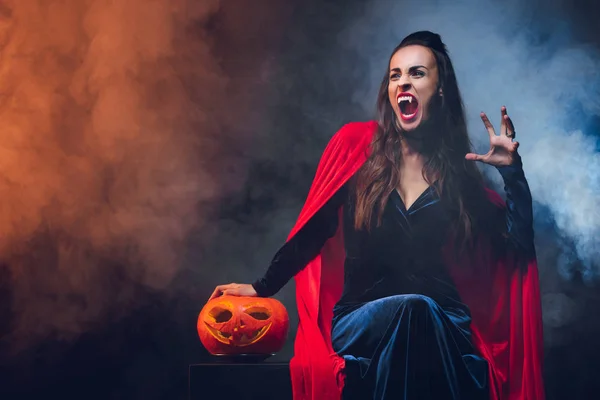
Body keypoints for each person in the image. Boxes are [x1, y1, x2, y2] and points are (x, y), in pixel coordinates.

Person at [208, 31, 545, 400]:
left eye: (417, 73)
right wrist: (261, 286)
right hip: (360, 319)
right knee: (414, 309)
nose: (404, 82)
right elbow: (312, 232)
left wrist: (513, 174)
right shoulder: (357, 151)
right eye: (395, 75)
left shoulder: (460, 179)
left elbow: (517, 247)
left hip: (446, 322)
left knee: (418, 321)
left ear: (440, 88)